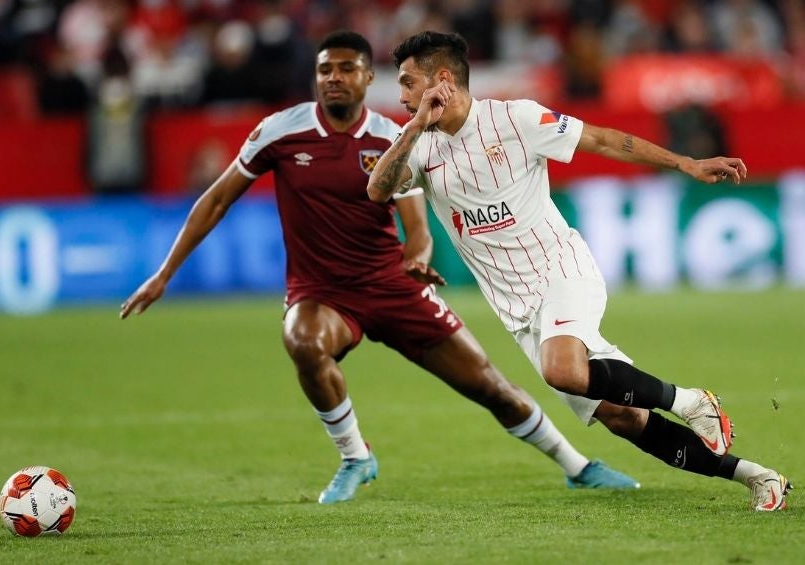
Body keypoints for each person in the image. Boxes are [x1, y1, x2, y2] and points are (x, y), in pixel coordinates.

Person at [120, 30, 640, 505]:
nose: (334, 79)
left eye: (346, 69)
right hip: (321, 291)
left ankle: (577, 465)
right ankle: (354, 456)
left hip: (393, 286)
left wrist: (417, 257)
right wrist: (164, 273)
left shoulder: (399, 137)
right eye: (325, 70)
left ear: (370, 79)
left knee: (490, 387)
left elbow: (416, 223)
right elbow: (215, 200)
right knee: (302, 340)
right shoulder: (282, 131)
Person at [367, 30, 791, 512]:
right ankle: (758, 478)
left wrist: (686, 163)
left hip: (560, 270)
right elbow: (378, 191)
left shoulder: (516, 118)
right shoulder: (419, 149)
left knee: (562, 371)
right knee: (623, 418)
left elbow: (604, 139)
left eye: (407, 82)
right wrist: (415, 126)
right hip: (517, 310)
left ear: (442, 79)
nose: (399, 95)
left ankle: (691, 401)